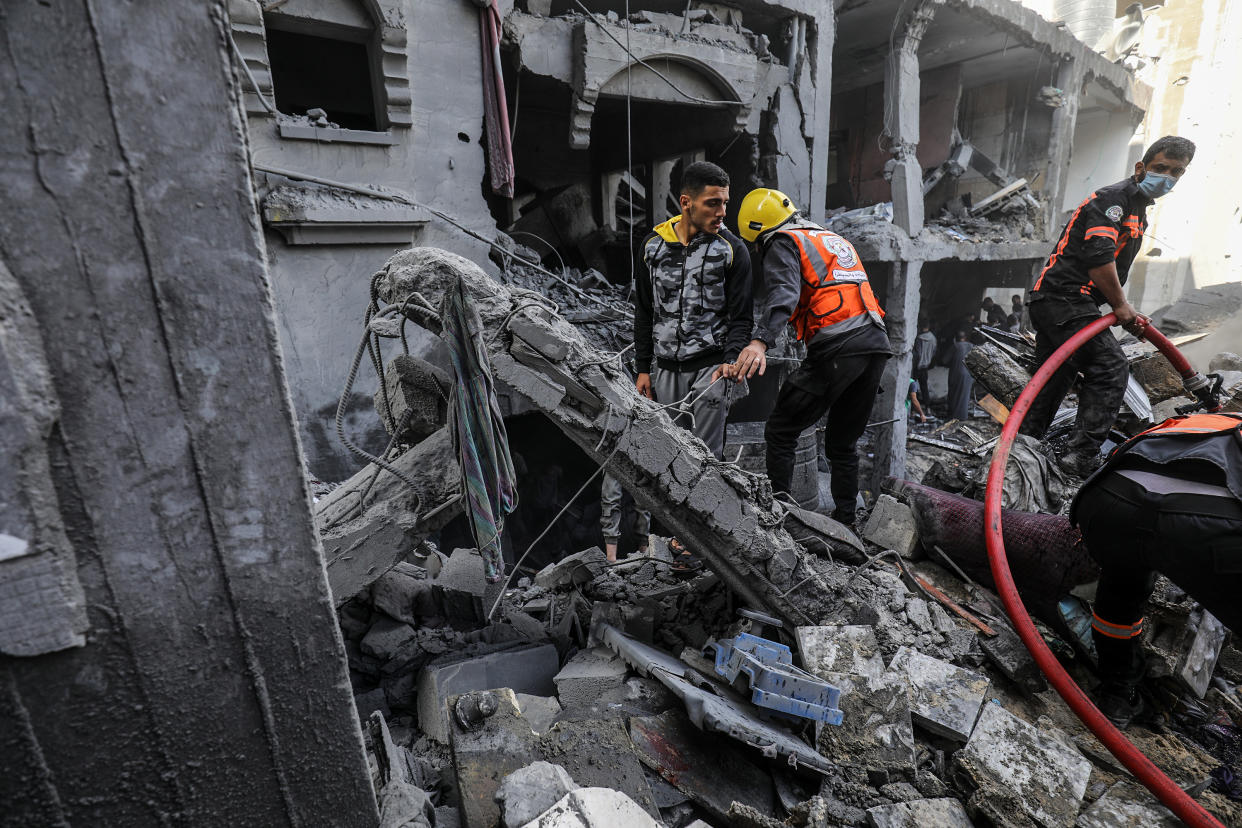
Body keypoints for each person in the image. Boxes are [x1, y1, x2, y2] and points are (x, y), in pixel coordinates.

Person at [1020, 135, 1195, 476]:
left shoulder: (1137, 210)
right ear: (1140, 167)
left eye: (1177, 172)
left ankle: (1022, 447)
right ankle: (1081, 457)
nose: (1168, 177)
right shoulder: (1113, 200)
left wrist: (1121, 307)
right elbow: (1099, 261)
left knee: (1054, 378)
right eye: (1161, 168)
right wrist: (1121, 306)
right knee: (1110, 365)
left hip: (1069, 301)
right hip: (1062, 299)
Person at [730, 188, 890, 527]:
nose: (760, 251)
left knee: (780, 430)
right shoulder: (830, 238)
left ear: (760, 232)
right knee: (843, 443)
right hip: (875, 342)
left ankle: (781, 519)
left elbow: (783, 294)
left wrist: (760, 341)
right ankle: (848, 523)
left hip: (838, 344)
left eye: (757, 245)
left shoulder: (783, 241)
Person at [1072, 412, 1242, 727]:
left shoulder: (1200, 420)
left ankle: (1117, 694)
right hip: (1202, 523)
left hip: (1108, 501)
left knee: (1121, 588)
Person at [633, 161, 753, 460]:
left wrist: (729, 361)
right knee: (670, 455)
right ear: (686, 202)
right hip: (666, 372)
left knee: (706, 460)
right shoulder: (652, 246)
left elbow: (742, 317)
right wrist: (643, 369)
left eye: (725, 203)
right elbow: (645, 311)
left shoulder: (732, 250)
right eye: (713, 203)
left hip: (711, 371)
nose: (722, 212)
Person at [946, 330, 974, 421]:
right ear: (965, 338)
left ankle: (953, 415)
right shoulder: (971, 346)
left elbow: (944, 360)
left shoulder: (955, 346)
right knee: (965, 395)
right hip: (969, 374)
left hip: (956, 373)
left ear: (956, 338)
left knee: (954, 394)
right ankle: (962, 416)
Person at [912, 320, 936, 407]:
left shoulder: (919, 338)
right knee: (924, 387)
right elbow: (934, 352)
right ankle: (927, 406)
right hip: (925, 366)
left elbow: (917, 354)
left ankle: (912, 408)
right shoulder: (933, 338)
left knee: (912, 387)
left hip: (918, 366)